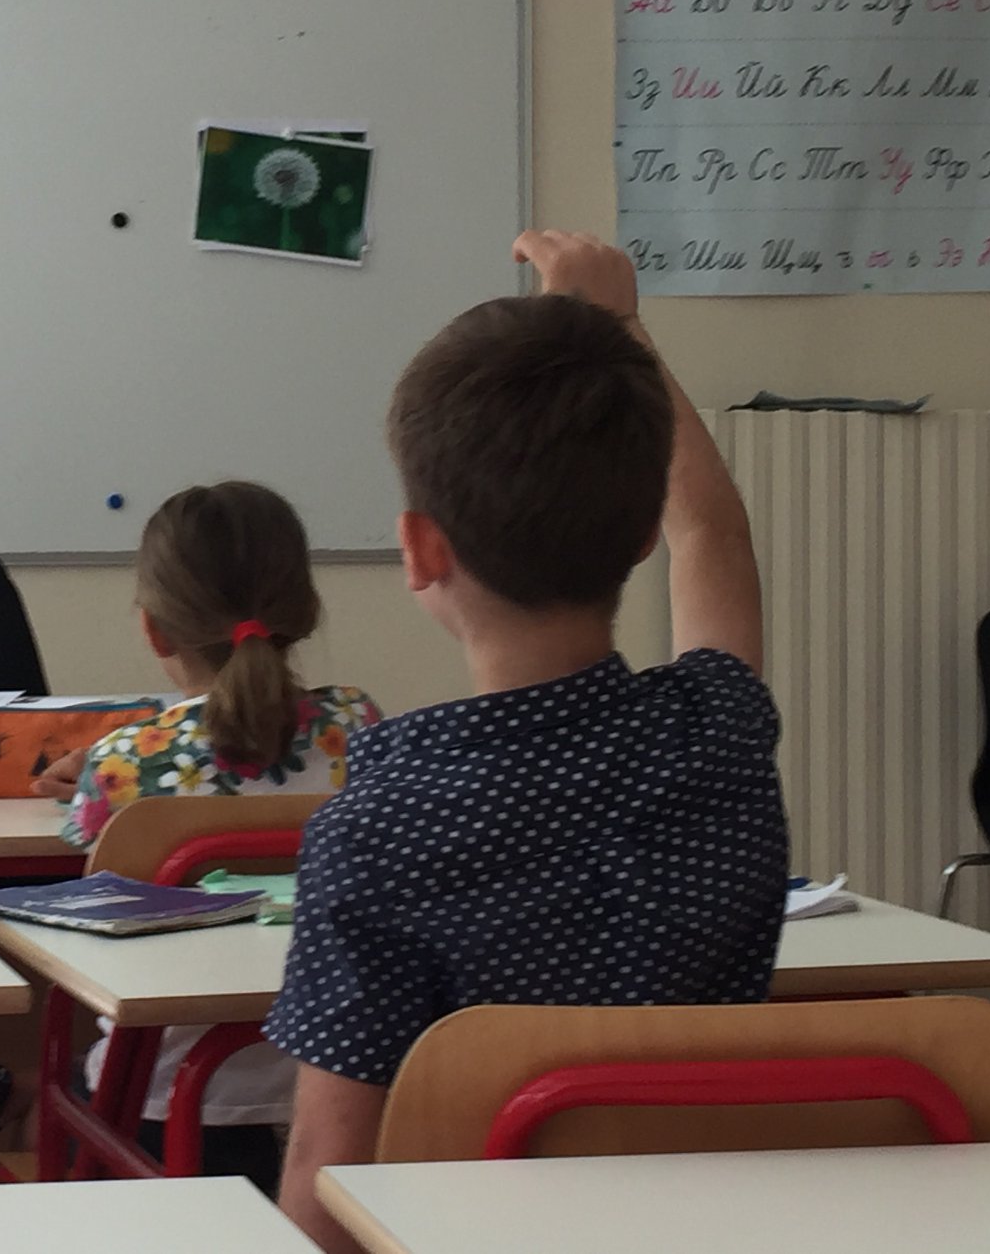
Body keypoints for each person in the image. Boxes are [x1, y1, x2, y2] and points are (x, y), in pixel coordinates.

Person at [269, 231, 789, 1249]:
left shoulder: (374, 835)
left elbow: (324, 1186)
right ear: (637, 533)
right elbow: (712, 534)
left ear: (421, 548)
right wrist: (617, 327)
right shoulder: (717, 734)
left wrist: (607, 328)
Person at [36, 482, 378, 1194]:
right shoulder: (363, 727)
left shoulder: (125, 762)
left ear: (154, 630)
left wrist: (102, 769)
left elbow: (89, 882)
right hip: (338, 1090)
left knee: (53, 1067)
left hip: (162, 1102)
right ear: (302, 611)